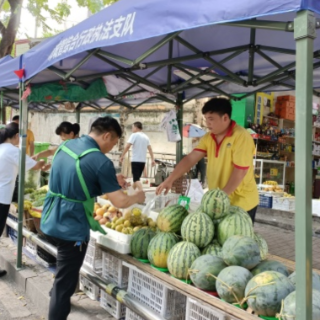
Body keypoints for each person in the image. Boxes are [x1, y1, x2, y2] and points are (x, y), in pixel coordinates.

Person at [40, 116, 145, 320]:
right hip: (70, 228)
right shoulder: (100, 160)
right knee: (65, 286)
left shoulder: (66, 145)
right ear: (107, 135)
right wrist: (137, 196)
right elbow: (120, 202)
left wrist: (111, 181)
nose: (111, 147)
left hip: (50, 219)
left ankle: (55, 294)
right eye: (113, 143)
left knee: (62, 276)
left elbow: (73, 176)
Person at [156, 98, 259, 223]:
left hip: (242, 203)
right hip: (218, 202)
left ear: (225, 118)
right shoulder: (209, 137)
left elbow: (240, 171)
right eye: (206, 119)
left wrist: (221, 197)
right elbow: (190, 159)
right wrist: (170, 179)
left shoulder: (241, 137)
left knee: (238, 241)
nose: (207, 124)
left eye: (211, 119)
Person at [0, 123, 45, 277]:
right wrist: (43, 164)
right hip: (2, 197)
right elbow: (34, 166)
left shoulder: (2, 148)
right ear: (16, 136)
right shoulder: (13, 150)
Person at [119, 122, 155, 191]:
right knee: (136, 179)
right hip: (143, 161)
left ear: (136, 127)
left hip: (135, 160)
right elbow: (150, 148)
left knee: (136, 180)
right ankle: (130, 194)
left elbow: (127, 146)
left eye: (132, 127)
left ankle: (141, 194)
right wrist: (153, 159)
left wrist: (122, 155)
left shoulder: (134, 135)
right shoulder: (146, 137)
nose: (132, 129)